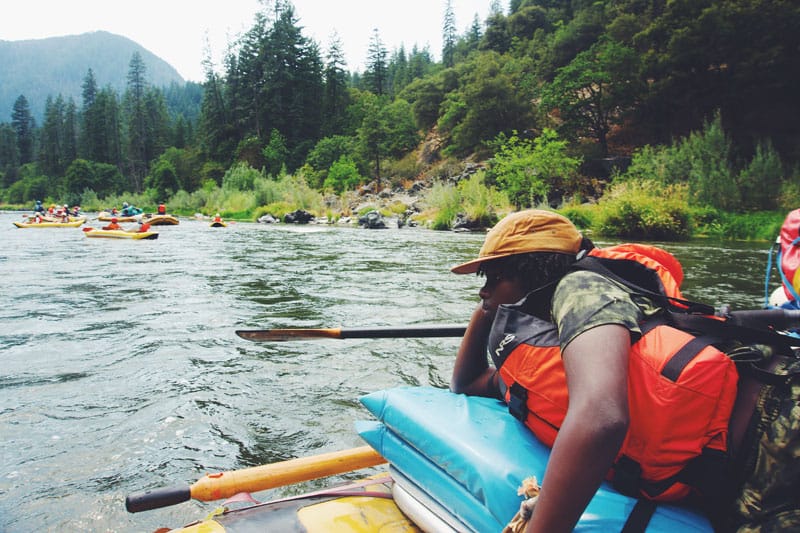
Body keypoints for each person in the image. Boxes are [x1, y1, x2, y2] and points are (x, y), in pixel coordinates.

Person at [449, 209, 799, 533]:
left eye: (494, 276)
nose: (484, 289)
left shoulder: (582, 288)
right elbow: (468, 381)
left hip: (779, 420)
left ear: (534, 273)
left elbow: (601, 418)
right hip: (744, 467)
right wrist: (490, 302)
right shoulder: (548, 346)